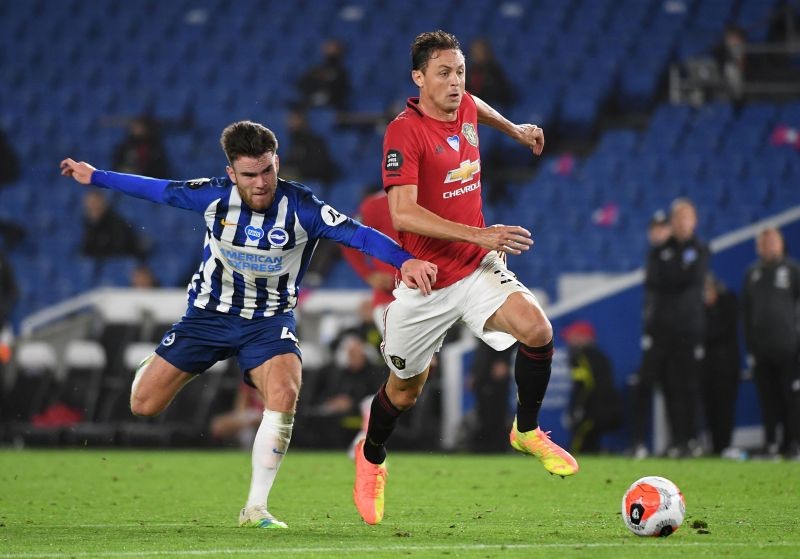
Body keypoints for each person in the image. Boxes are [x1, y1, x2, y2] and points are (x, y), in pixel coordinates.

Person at [60, 120, 437, 529]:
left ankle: (255, 507)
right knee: (144, 405)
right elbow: (160, 189)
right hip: (207, 317)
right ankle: (151, 368)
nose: (260, 183)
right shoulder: (213, 197)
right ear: (231, 174)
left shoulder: (302, 207)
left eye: (267, 171)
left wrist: (405, 261)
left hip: (268, 321)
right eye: (249, 175)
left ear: (277, 163)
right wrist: (96, 176)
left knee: (285, 390)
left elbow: (359, 235)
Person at [352, 30, 578, 527]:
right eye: (443, 73)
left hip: (475, 269)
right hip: (426, 282)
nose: (456, 82)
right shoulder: (403, 132)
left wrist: (515, 128)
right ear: (419, 78)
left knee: (537, 329)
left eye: (459, 72)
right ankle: (370, 459)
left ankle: (527, 430)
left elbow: (477, 103)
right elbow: (403, 213)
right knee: (405, 391)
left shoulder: (466, 107)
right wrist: (479, 234)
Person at [643, 198, 709, 458]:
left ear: (694, 221)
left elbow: (688, 278)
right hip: (663, 329)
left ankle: (692, 439)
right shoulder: (659, 250)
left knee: (689, 386)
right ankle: (677, 440)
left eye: (686, 218)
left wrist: (674, 273)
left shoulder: (701, 249)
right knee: (668, 386)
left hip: (688, 328)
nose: (682, 223)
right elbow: (657, 280)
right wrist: (677, 272)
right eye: (678, 219)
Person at [742, 227, 800, 458]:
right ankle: (770, 444)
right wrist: (750, 348)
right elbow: (746, 313)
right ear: (758, 247)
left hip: (789, 348)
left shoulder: (793, 270)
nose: (768, 246)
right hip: (761, 348)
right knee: (767, 400)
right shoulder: (752, 273)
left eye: (772, 241)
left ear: (781, 243)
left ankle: (793, 443)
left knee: (791, 398)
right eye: (764, 243)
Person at [631, 209, 671, 459]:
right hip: (655, 334)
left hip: (673, 335)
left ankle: (684, 443)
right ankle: (638, 443)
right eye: (654, 228)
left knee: (676, 390)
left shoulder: (676, 255)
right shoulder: (654, 256)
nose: (657, 232)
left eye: (661, 228)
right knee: (644, 387)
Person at [340, 189, 398, 329]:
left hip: (430, 291)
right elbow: (347, 236)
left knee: (428, 350)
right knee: (402, 350)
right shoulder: (376, 204)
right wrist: (368, 274)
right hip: (390, 296)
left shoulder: (437, 197)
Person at [562, 320, 623, 454]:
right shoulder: (600, 355)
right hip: (608, 406)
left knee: (577, 447)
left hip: (594, 409)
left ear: (583, 337)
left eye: (572, 337)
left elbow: (584, 386)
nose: (569, 341)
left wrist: (577, 408)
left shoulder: (581, 356)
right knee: (590, 445)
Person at [701, 273, 741, 456]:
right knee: (710, 408)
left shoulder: (727, 305)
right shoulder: (702, 312)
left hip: (726, 367)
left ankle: (725, 445)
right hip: (707, 369)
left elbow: (717, 333)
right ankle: (716, 447)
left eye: (707, 290)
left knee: (724, 408)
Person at [467, 340, 514, 453]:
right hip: (482, 374)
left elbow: (511, 341)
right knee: (483, 412)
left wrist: (503, 360)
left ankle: (497, 447)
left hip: (494, 373)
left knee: (497, 412)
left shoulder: (503, 327)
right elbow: (480, 351)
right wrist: (474, 373)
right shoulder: (482, 329)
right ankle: (484, 446)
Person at [81, 189, 148, 260]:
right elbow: (86, 251)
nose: (93, 208)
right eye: (90, 206)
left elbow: (119, 252)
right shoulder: (87, 225)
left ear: (103, 204)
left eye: (95, 205)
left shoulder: (116, 223)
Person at [279, 109, 340, 186]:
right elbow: (291, 160)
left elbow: (318, 165)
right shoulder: (292, 140)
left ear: (302, 120)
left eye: (294, 119)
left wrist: (297, 171)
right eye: (289, 119)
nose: (290, 122)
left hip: (313, 177)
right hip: (297, 175)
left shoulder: (313, 141)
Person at [295, 39, 350, 111]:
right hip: (312, 102)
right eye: (329, 49)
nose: (331, 52)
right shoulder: (317, 69)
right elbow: (302, 83)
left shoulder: (342, 72)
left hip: (332, 105)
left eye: (334, 49)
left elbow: (338, 90)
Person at [465, 38, 514, 109]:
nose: (478, 54)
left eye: (481, 50)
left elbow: (502, 92)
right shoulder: (470, 70)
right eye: (476, 51)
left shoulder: (495, 70)